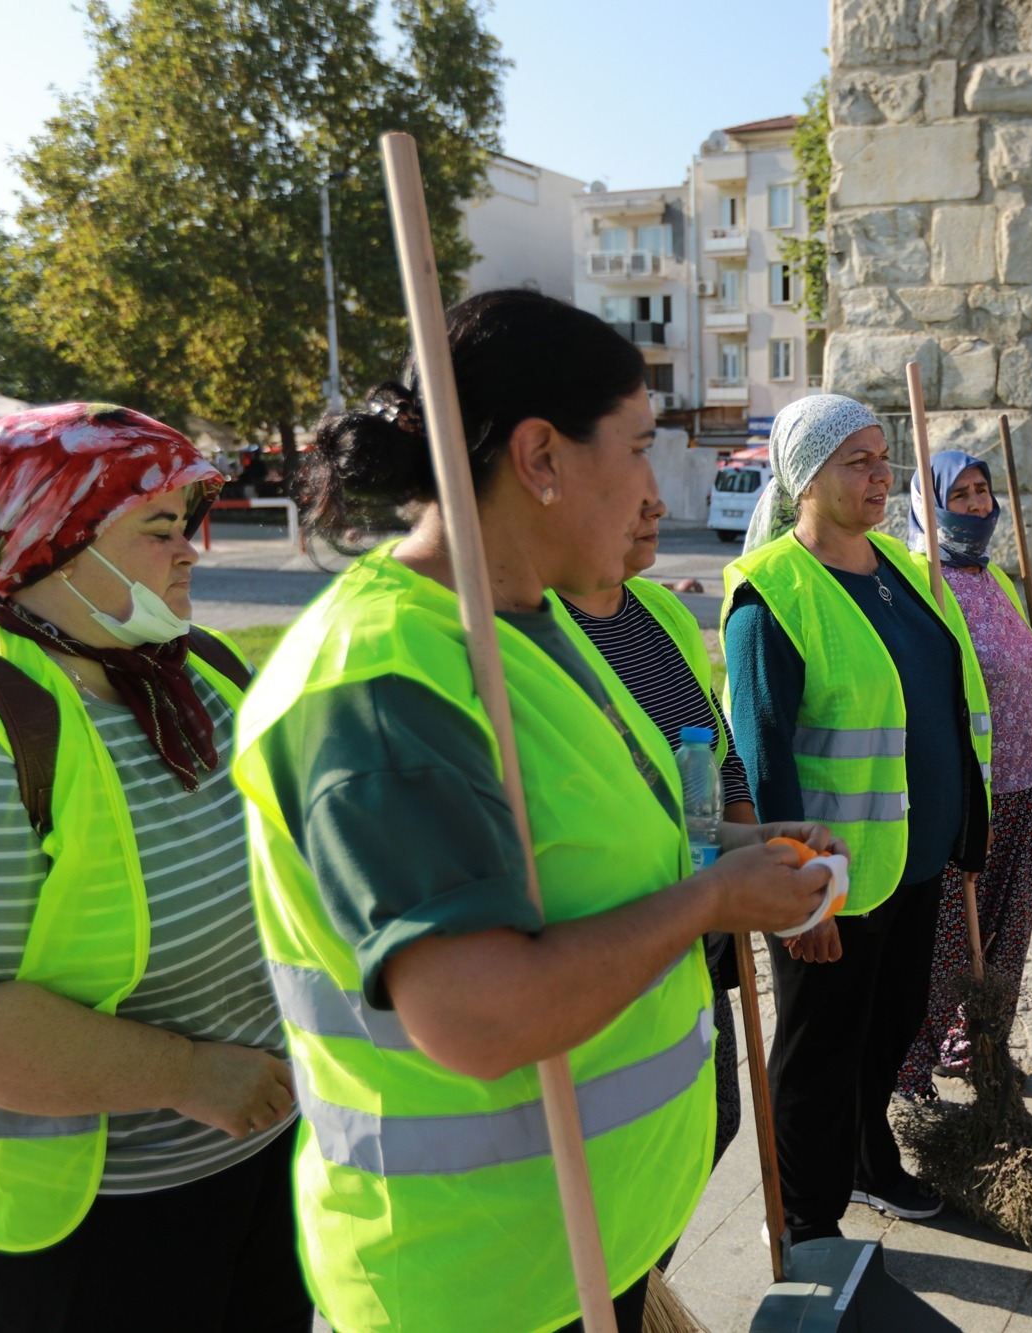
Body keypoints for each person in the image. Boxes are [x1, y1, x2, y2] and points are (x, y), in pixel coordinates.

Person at [233, 290, 835, 1333]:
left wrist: (745, 853)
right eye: (640, 447)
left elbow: (613, 841)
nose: (655, 486)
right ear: (541, 457)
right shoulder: (379, 683)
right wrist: (708, 902)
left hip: (584, 1246)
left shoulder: (537, 623)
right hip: (475, 1281)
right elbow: (477, 1015)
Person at [0, 404, 309, 1332]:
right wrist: (185, 1073)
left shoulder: (195, 669)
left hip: (265, 1156)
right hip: (96, 1224)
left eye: (190, 525)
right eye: (160, 527)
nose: (192, 552)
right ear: (49, 539)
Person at [723, 394, 990, 1242]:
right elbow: (763, 759)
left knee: (888, 1034)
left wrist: (968, 823)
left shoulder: (903, 571)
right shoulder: (773, 595)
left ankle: (869, 1161)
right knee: (817, 1056)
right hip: (831, 884)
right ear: (807, 478)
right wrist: (802, 895)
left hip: (909, 864)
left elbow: (945, 703)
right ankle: (803, 1219)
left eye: (884, 457)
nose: (883, 475)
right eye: (859, 460)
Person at [562, 497, 754, 1168]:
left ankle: (649, 1273)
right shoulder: (534, 634)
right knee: (631, 1155)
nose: (655, 500)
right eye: (631, 454)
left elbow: (722, 758)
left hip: (696, 943)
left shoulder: (662, 610)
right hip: (618, 956)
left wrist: (758, 854)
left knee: (717, 1118)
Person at [893, 451, 1032, 1100]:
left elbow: (1010, 664)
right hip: (970, 799)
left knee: (1006, 934)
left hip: (1029, 788)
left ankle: (981, 1047)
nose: (975, 503)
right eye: (959, 493)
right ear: (930, 503)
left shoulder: (994, 577)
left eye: (981, 491)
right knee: (944, 944)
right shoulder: (919, 581)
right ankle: (909, 1068)